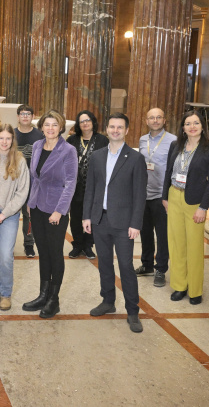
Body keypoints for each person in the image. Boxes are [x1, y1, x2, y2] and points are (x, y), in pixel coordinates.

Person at [82, 113, 148, 333]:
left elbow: (140, 195)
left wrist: (136, 223)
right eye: (112, 127)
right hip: (100, 219)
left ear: (127, 131)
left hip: (123, 223)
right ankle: (108, 301)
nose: (116, 130)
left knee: (126, 266)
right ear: (107, 129)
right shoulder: (98, 156)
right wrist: (86, 216)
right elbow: (90, 188)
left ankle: (132, 311)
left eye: (120, 127)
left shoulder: (136, 159)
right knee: (105, 263)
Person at [162, 110, 209, 305]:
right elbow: (168, 171)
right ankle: (179, 286)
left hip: (195, 203)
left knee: (194, 247)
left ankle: (195, 290)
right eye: (188, 123)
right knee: (176, 244)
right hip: (174, 196)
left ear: (202, 126)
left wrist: (203, 208)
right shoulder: (176, 145)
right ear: (183, 128)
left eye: (196, 123)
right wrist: (164, 197)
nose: (192, 127)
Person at [22, 110, 77, 319]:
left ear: (61, 127)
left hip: (56, 210)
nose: (51, 128)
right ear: (42, 127)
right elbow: (33, 177)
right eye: (47, 125)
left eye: (55, 125)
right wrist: (30, 202)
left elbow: (70, 183)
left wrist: (59, 211)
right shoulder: (37, 146)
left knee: (55, 254)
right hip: (36, 207)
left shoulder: (68, 150)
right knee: (43, 252)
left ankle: (54, 299)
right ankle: (43, 294)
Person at [0, 125, 30, 311]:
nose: (4, 142)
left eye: (8, 138)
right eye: (1, 138)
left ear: (12, 140)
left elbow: (22, 192)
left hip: (9, 212)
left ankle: (6, 294)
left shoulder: (19, 161)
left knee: (6, 256)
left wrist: (4, 214)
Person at [136, 108, 177, 287]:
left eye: (158, 117)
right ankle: (146, 265)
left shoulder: (173, 140)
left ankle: (160, 269)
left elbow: (174, 168)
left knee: (162, 234)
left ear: (164, 120)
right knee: (145, 232)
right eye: (151, 117)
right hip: (144, 194)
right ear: (146, 120)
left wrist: (167, 194)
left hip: (162, 195)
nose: (155, 120)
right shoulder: (142, 140)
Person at [66, 110, 108, 259]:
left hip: (95, 186)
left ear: (93, 122)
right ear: (78, 124)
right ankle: (77, 244)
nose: (85, 123)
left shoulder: (102, 140)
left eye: (88, 120)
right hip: (76, 186)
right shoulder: (72, 140)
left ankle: (88, 245)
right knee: (76, 216)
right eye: (82, 121)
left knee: (92, 216)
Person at [14, 104, 43, 258]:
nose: (25, 116)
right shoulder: (11, 134)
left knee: (29, 215)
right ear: (18, 116)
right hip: (14, 182)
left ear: (32, 117)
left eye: (28, 113)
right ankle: (8, 245)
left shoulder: (39, 135)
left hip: (32, 182)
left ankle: (29, 244)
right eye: (22, 113)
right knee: (10, 214)